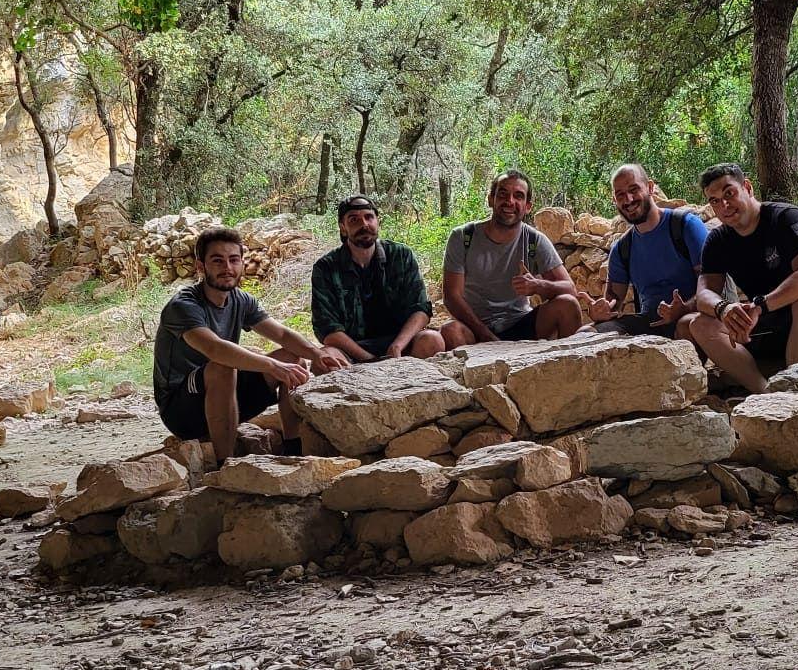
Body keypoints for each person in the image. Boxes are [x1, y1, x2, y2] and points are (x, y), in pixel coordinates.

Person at [152, 227, 349, 459]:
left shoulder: (241, 300)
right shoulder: (183, 306)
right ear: (200, 266)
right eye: (217, 260)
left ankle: (293, 449)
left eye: (234, 260)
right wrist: (272, 366)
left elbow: (282, 335)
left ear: (242, 264)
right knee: (223, 366)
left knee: (292, 359)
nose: (227, 268)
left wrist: (317, 354)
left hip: (226, 397)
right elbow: (214, 348)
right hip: (182, 411)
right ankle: (226, 464)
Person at [687, 162, 798, 392]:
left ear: (747, 187)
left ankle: (796, 394)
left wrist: (761, 305)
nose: (724, 205)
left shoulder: (786, 217)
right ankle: (765, 394)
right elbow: (704, 294)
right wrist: (724, 309)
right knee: (700, 324)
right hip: (766, 320)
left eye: (729, 193)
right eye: (714, 201)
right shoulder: (718, 240)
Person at [440, 170, 585, 347]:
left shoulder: (534, 241)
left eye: (518, 196)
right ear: (490, 199)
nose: (510, 201)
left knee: (568, 305)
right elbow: (451, 296)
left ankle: (566, 363)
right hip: (475, 328)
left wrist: (538, 286)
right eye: (503, 194)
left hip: (520, 322)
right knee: (451, 331)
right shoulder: (463, 237)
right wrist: (487, 336)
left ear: (528, 206)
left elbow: (570, 289)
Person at [310, 195, 446, 362]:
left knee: (432, 340)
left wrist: (397, 347)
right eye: (354, 220)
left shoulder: (401, 255)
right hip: (353, 349)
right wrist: (370, 359)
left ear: (378, 221)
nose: (364, 224)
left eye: (369, 217)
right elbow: (327, 328)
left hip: (400, 343)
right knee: (325, 359)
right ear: (343, 228)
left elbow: (421, 310)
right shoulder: (326, 267)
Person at [587, 162, 708, 338]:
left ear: (650, 187)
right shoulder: (622, 249)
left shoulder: (686, 226)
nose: (628, 200)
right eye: (620, 195)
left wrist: (684, 308)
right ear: (614, 200)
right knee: (587, 333)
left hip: (693, 318)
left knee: (686, 325)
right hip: (650, 325)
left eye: (634, 189)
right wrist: (599, 312)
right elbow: (612, 305)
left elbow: (712, 286)